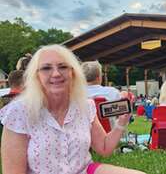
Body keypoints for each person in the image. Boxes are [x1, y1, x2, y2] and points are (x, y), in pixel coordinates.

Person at [0, 44, 145, 174]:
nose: (56, 73)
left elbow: (105, 148)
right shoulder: (19, 112)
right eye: (46, 68)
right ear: (36, 76)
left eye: (63, 67)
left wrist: (122, 121)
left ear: (73, 73)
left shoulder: (85, 106)